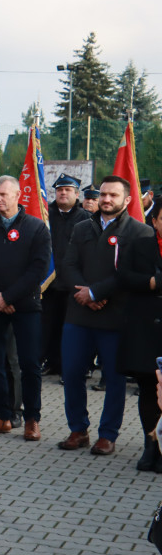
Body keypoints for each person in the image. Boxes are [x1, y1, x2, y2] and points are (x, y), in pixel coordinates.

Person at [57, 176, 152, 456]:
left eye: (113, 195)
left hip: (116, 316)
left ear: (127, 200)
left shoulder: (140, 232)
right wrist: (85, 295)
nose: (107, 199)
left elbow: (130, 273)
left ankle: (108, 434)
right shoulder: (82, 227)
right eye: (104, 194)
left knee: (114, 377)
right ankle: (78, 429)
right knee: (72, 372)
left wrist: (97, 293)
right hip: (79, 314)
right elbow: (68, 264)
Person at [0, 176, 51, 439]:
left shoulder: (37, 228)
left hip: (25, 306)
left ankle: (31, 419)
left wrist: (9, 297)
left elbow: (38, 268)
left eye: (3, 194)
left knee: (29, 364)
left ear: (18, 195)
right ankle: (0, 415)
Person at [118, 197, 162, 471]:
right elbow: (123, 276)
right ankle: (151, 445)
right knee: (148, 388)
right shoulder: (140, 244)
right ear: (155, 221)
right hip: (145, 328)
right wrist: (152, 282)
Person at [41, 174, 91, 377]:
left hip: (73, 285)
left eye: (68, 189)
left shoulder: (86, 218)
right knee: (47, 328)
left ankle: (70, 368)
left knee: (70, 330)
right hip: (48, 284)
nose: (63, 193)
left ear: (77, 194)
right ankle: (51, 363)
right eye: (60, 189)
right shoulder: (45, 215)